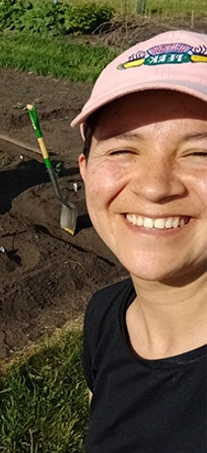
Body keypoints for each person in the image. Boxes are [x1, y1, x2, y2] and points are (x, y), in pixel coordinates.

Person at [72, 30, 207, 452]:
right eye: (122, 150)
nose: (154, 187)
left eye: (201, 153)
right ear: (86, 169)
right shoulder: (105, 316)